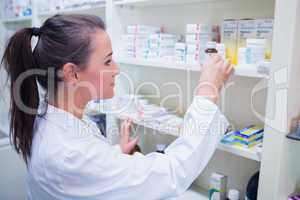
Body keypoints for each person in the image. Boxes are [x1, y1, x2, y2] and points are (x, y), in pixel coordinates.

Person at [1, 14, 233, 199]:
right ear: (72, 73)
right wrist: (207, 89)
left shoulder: (49, 117)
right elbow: (172, 173)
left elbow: (85, 173)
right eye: (107, 61)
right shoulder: (68, 154)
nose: (117, 69)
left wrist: (115, 154)